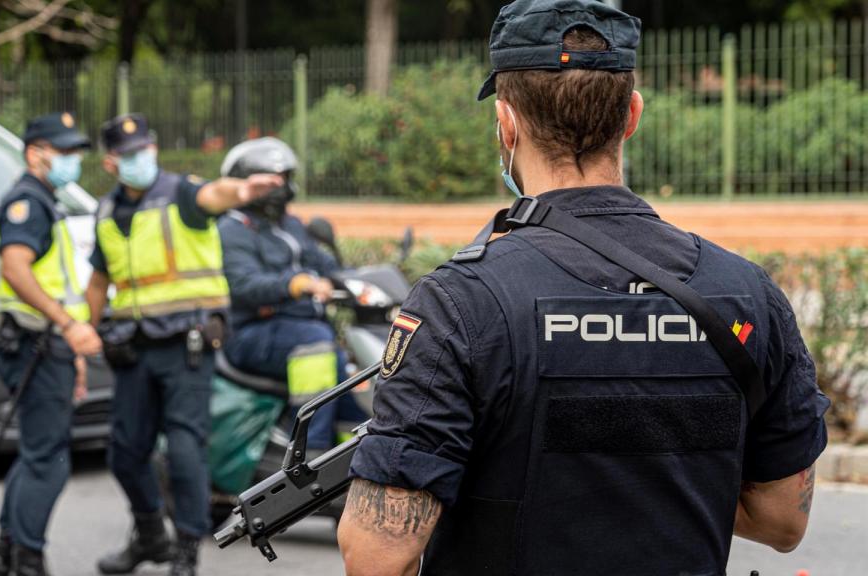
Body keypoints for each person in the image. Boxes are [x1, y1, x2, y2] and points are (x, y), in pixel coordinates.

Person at [337, 2, 831, 575]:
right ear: (632, 116)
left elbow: (375, 556)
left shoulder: (460, 305)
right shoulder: (747, 294)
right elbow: (782, 521)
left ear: (507, 125)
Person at [86, 114, 281, 576]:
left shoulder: (181, 194)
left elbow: (214, 194)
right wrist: (85, 332)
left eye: (145, 148)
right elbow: (98, 280)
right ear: (111, 162)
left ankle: (186, 549)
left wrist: (242, 190)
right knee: (125, 451)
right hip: (132, 347)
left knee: (184, 450)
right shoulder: (106, 212)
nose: (141, 159)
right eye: (129, 154)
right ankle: (150, 533)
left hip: (187, 345)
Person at [0, 112, 102, 576]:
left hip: (42, 347)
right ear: (37, 154)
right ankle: (27, 561)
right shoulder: (27, 203)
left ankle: (5, 555)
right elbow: (16, 269)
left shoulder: (41, 200)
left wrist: (70, 347)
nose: (73, 161)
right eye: (65, 152)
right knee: (48, 463)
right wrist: (68, 327)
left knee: (36, 455)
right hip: (34, 345)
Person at [217, 137, 365, 451]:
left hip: (297, 328)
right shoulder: (232, 230)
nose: (283, 187)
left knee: (344, 370)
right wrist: (293, 283)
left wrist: (355, 278)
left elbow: (321, 261)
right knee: (317, 345)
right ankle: (311, 452)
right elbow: (244, 286)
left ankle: (357, 452)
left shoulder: (289, 225)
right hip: (250, 332)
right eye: (275, 180)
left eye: (285, 178)